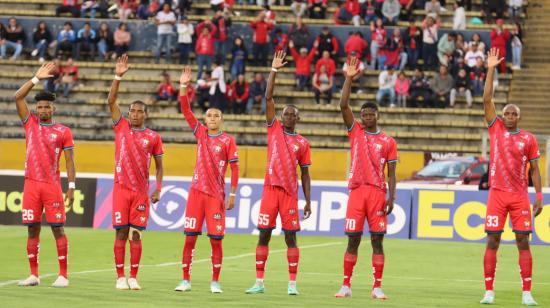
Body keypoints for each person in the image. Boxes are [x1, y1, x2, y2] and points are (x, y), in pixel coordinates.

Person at [245, 51, 312, 296]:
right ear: (281, 117)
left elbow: (305, 174)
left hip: (290, 195)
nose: (289, 117)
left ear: (298, 118)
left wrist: (308, 200)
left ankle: (292, 284)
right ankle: (259, 282)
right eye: (286, 114)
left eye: (293, 115)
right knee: (263, 235)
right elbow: (268, 97)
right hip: (269, 191)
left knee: (290, 237)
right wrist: (273, 71)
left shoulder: (303, 144)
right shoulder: (273, 129)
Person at [479, 48, 541, 306]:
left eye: (515, 114)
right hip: (497, 194)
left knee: (522, 240)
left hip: (518, 196)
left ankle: (526, 292)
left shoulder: (528, 139)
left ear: (520, 117)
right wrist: (491, 68)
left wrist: (538, 196)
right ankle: (489, 291)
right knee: (493, 239)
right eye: (507, 113)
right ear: (503, 116)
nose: (510, 117)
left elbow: (535, 170)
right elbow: (486, 100)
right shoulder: (496, 130)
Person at [335, 56, 397, 299]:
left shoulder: (388, 141)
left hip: (377, 194)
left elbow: (392, 174)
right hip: (357, 193)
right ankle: (346, 285)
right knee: (352, 240)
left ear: (377, 115)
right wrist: (349, 78)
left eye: (370, 114)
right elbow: (343, 105)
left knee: (377, 240)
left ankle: (377, 286)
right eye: (364, 114)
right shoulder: (356, 132)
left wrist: (392, 197)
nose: (366, 118)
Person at [175, 66, 239, 293]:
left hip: (215, 196)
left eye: (216, 116)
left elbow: (235, 169)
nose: (212, 118)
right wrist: (183, 86)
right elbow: (185, 110)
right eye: (209, 115)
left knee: (216, 240)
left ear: (222, 120)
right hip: (196, 194)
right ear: (205, 119)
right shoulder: (200, 133)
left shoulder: (228, 141)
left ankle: (215, 281)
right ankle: (185, 280)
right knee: (189, 238)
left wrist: (232, 194)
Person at [14, 62, 75, 289]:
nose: (42, 111)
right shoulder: (29, 124)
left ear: (53, 109)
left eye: (47, 107)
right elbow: (18, 98)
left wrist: (71, 186)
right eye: (39, 107)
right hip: (31, 185)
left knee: (57, 227)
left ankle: (63, 275)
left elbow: (69, 161)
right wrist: (36, 79)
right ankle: (34, 275)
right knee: (32, 228)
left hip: (51, 185)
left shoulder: (63, 132)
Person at [107, 55, 164, 291]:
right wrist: (118, 76)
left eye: (139, 111)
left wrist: (158, 188)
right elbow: (111, 101)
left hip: (141, 193)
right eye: (131, 111)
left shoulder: (153, 137)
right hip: (121, 189)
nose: (134, 114)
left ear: (145, 114)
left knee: (136, 235)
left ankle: (133, 276)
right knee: (121, 232)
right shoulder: (120, 127)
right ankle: (120, 276)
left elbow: (159, 166)